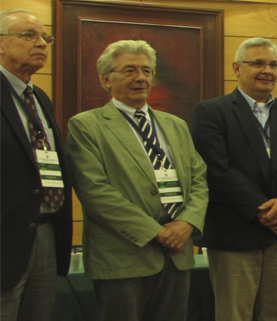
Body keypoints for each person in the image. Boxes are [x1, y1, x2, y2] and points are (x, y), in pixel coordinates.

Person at [65, 39, 208, 321]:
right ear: (107, 78)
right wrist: (156, 233)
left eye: (146, 70)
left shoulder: (175, 125)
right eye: (129, 70)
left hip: (177, 255)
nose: (140, 78)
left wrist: (186, 223)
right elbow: (96, 193)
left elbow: (199, 179)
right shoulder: (86, 125)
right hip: (123, 257)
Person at [191, 37, 277, 321]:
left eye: (274, 64)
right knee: (233, 313)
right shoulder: (211, 111)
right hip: (234, 230)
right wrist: (264, 211)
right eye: (258, 63)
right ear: (237, 68)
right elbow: (216, 169)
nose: (268, 70)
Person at [0, 9, 73, 321]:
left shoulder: (39, 97)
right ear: (1, 44)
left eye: (46, 37)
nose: (42, 43)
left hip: (44, 230)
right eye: (28, 35)